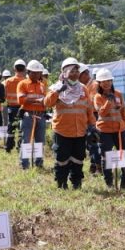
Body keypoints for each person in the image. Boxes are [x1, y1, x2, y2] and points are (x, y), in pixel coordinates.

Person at [43, 58, 95, 189]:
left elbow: (88, 108)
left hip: (80, 131)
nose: (75, 73)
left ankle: (76, 183)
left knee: (78, 158)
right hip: (62, 131)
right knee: (62, 159)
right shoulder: (56, 87)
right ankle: (62, 183)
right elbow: (47, 103)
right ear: (64, 72)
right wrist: (58, 90)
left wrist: (92, 125)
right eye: (72, 71)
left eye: (77, 70)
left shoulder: (83, 89)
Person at [93, 68, 125, 188]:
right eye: (103, 81)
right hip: (105, 131)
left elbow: (123, 112)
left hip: (120, 130)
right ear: (99, 83)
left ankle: (124, 182)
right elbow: (102, 113)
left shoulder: (118, 94)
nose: (107, 83)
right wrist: (109, 101)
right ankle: (109, 183)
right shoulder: (98, 97)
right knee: (107, 156)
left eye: (109, 81)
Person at [16, 60, 48, 169]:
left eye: (38, 72)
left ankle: (39, 163)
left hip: (41, 115)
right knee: (26, 141)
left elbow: (46, 100)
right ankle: (24, 164)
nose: (36, 75)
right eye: (33, 72)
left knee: (40, 142)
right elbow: (21, 99)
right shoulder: (22, 84)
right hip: (28, 116)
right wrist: (37, 100)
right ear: (28, 72)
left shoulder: (43, 85)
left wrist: (32, 99)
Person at [3, 60, 27, 153]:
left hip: (11, 108)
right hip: (23, 108)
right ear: (24, 69)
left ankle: (8, 147)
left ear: (14, 68)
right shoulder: (26, 81)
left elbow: (3, 96)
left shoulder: (7, 81)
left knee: (11, 128)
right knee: (22, 128)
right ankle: (20, 147)